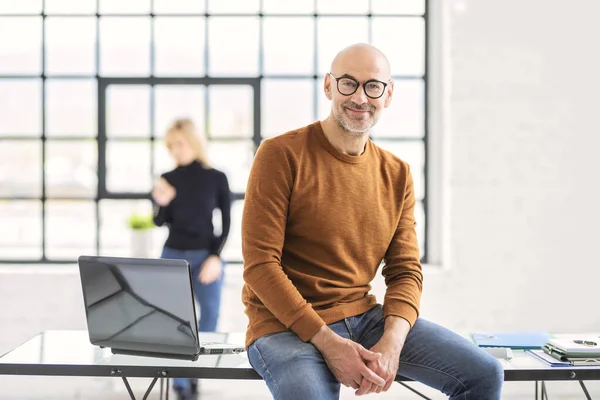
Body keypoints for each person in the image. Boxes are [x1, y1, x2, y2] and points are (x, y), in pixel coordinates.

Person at [241, 43, 504, 400]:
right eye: (348, 83)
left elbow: (406, 271)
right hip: (282, 325)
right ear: (328, 86)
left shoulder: (397, 173)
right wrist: (329, 343)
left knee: (485, 374)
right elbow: (260, 267)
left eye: (373, 86)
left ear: (388, 93)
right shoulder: (281, 155)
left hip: (364, 318)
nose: (360, 98)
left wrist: (392, 343)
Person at [152, 118, 231, 400]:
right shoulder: (167, 178)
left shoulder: (217, 178)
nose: (175, 150)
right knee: (175, 319)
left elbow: (227, 224)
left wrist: (215, 257)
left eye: (180, 143)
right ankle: (182, 384)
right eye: (171, 145)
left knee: (210, 316)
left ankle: (193, 372)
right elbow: (160, 222)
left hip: (205, 256)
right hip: (172, 255)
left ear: (194, 142)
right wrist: (162, 202)